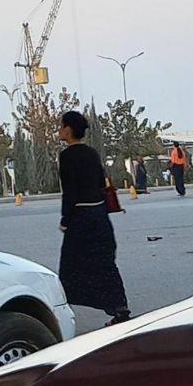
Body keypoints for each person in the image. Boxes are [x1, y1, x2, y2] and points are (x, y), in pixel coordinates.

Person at [55, 109, 133, 325]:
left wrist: (65, 219)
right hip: (99, 216)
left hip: (81, 217)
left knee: (72, 266)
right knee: (105, 263)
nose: (59, 130)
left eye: (61, 126)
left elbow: (70, 192)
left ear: (69, 130)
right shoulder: (92, 153)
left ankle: (61, 311)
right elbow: (100, 183)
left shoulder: (67, 156)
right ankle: (119, 307)